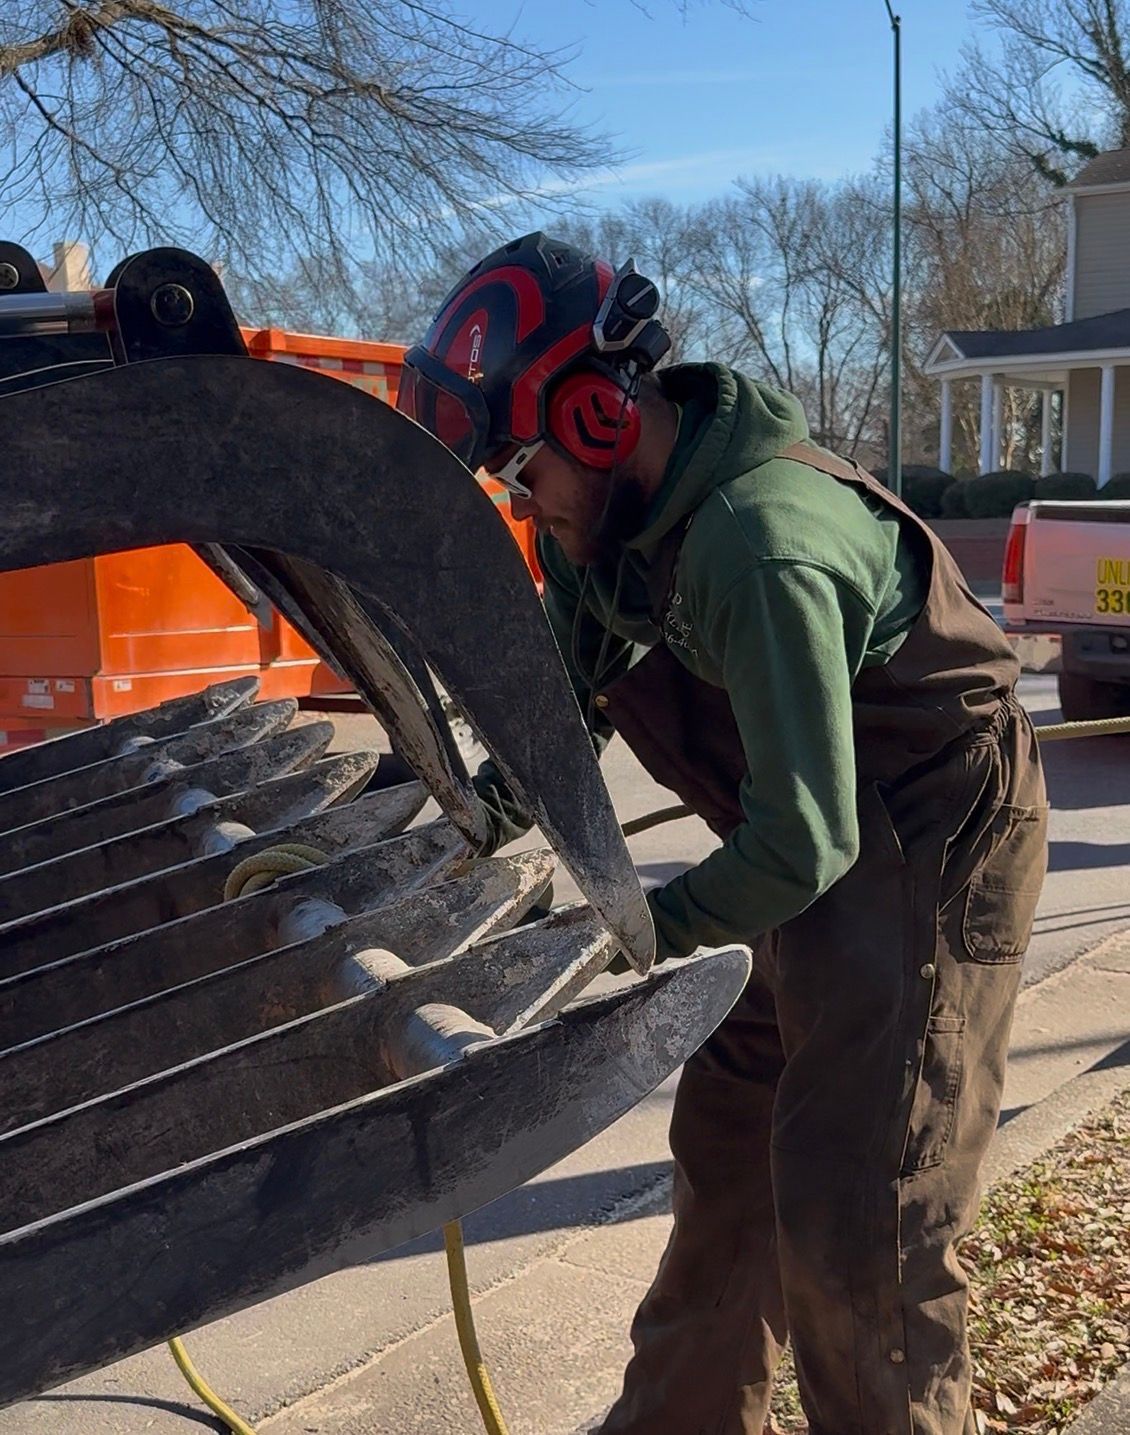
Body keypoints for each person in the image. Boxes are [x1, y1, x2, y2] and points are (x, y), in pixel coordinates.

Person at [397, 231, 1048, 1435]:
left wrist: (628, 940)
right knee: (728, 1144)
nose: (517, 495)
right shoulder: (603, 539)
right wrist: (448, 829)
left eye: (520, 465)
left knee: (860, 1214)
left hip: (926, 834)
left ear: (598, 419)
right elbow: (553, 715)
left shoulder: (760, 542)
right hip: (805, 838)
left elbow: (804, 838)